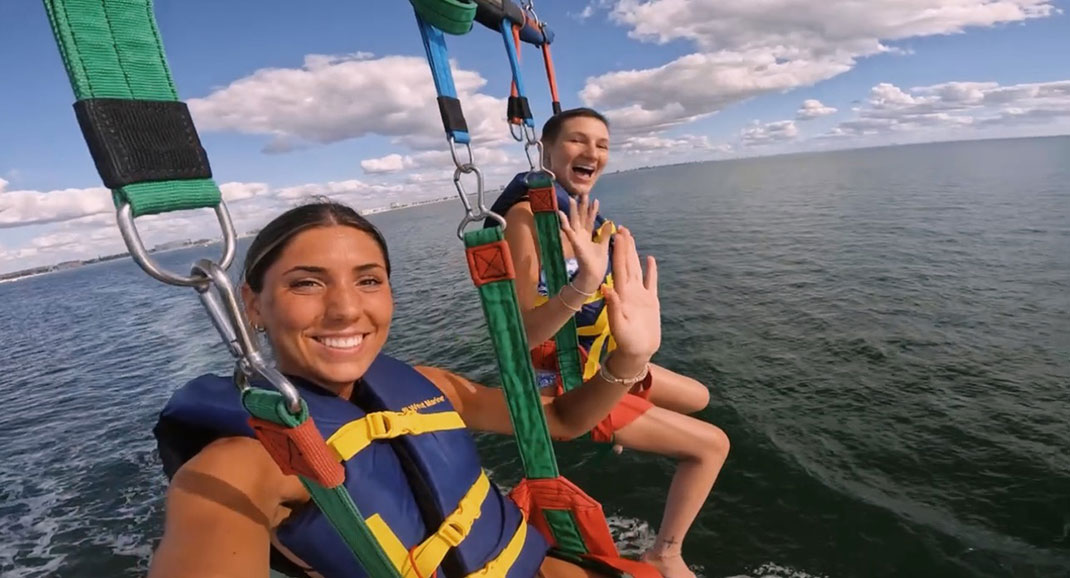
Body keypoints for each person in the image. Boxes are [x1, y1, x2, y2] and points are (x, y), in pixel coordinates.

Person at [147, 200, 664, 578]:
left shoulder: (427, 383)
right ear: (253, 306)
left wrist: (631, 356)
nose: (347, 309)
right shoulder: (240, 464)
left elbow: (562, 421)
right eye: (307, 282)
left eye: (369, 280)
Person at [487, 108, 730, 578]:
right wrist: (585, 283)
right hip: (564, 378)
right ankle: (665, 551)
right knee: (712, 447)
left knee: (699, 396)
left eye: (602, 144)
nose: (592, 153)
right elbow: (519, 336)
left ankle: (625, 426)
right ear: (546, 152)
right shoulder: (526, 218)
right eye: (578, 141)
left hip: (597, 358)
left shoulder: (574, 214)